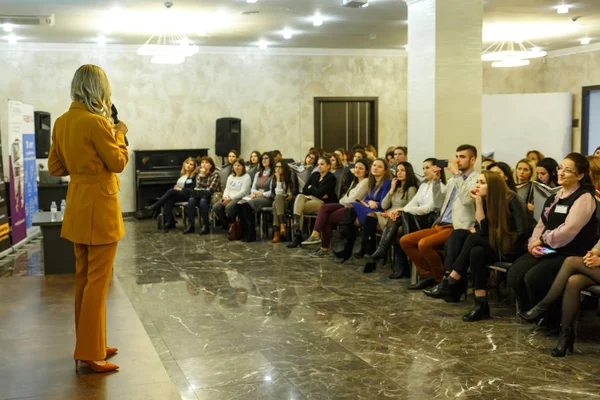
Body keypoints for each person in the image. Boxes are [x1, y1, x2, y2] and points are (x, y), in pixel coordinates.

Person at [47, 64, 127, 373]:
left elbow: (56, 168)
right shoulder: (98, 123)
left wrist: (81, 166)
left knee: (84, 278)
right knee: (98, 281)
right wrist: (119, 134)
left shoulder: (62, 121)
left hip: (78, 204)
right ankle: (92, 352)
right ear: (100, 89)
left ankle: (90, 344)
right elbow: (118, 162)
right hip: (101, 207)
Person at [507, 153, 598, 331]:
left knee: (534, 277)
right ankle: (533, 312)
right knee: (514, 273)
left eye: (568, 170)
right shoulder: (554, 197)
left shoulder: (584, 198)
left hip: (569, 252)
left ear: (579, 175)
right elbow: (541, 224)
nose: (561, 173)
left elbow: (569, 231)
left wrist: (542, 240)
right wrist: (534, 242)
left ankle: (551, 318)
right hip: (547, 247)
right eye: (560, 168)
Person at [433, 171, 528, 318]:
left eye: (482, 182)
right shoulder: (485, 199)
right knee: (476, 251)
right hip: (495, 244)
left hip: (514, 247)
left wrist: (501, 239)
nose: (477, 185)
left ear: (494, 186)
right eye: (478, 182)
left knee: (473, 239)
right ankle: (481, 303)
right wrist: (477, 201)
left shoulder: (511, 198)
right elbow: (483, 230)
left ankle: (451, 279)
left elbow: (522, 232)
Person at [400, 145, 478, 290]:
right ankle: (427, 275)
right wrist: (436, 182)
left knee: (424, 244)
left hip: (458, 227)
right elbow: (437, 202)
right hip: (441, 223)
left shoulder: (476, 179)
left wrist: (456, 175)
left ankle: (441, 280)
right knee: (406, 241)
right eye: (456, 157)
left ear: (472, 160)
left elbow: (467, 201)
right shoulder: (452, 181)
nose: (457, 160)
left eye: (462, 157)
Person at [301, 159, 370, 257]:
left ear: (366, 171)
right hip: (345, 204)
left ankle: (319, 241)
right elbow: (345, 198)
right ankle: (318, 240)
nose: (357, 170)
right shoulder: (354, 182)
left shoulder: (365, 182)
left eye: (361, 168)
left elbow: (353, 200)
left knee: (326, 217)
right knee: (324, 208)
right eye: (356, 167)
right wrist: (343, 201)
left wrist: (343, 201)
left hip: (353, 208)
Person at [364, 161, 419, 277]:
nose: (399, 173)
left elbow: (411, 207)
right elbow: (384, 205)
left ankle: (383, 251)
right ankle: (371, 249)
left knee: (394, 226)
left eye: (402, 170)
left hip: (402, 218)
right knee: (371, 216)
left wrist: (395, 212)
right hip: (389, 215)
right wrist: (391, 190)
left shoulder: (411, 189)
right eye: (398, 170)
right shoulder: (396, 187)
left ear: (408, 172)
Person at [343, 158, 392, 266]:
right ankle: (352, 246)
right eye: (374, 165)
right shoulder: (372, 182)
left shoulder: (386, 183)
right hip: (370, 208)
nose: (375, 168)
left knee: (352, 209)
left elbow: (385, 203)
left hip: (379, 211)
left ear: (385, 170)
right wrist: (369, 201)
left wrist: (374, 203)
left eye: (379, 166)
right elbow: (366, 199)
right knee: (351, 211)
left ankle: (355, 246)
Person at [287, 156, 339, 248]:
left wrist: (312, 188)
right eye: (318, 164)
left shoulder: (331, 178)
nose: (319, 166)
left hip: (323, 203)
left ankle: (297, 233)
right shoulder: (315, 175)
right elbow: (305, 189)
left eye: (322, 164)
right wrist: (315, 191)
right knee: (299, 197)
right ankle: (298, 233)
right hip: (311, 199)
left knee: (298, 207)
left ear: (328, 166)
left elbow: (319, 193)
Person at [144, 157, 197, 226]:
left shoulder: (193, 177)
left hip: (188, 196)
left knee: (171, 191)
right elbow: (179, 185)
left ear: (194, 167)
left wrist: (180, 189)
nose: (188, 165)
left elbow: (192, 190)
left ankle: (155, 206)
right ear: (184, 164)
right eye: (187, 163)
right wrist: (177, 187)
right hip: (180, 194)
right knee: (168, 199)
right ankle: (170, 221)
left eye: (191, 164)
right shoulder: (183, 175)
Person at [237, 152, 274, 242]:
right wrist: (255, 193)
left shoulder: (273, 174)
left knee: (247, 206)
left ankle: (251, 234)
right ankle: (244, 232)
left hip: (267, 198)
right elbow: (253, 188)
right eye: (262, 159)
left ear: (271, 160)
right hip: (256, 196)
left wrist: (262, 194)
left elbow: (272, 191)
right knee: (239, 203)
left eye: (266, 158)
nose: (264, 161)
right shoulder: (258, 174)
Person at [184, 156, 221, 235]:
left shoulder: (215, 174)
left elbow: (210, 190)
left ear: (211, 165)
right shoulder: (198, 174)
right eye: (202, 162)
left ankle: (206, 226)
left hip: (212, 196)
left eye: (206, 163)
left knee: (203, 201)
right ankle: (191, 225)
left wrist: (204, 176)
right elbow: (198, 187)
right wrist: (202, 175)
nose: (204, 164)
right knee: (191, 200)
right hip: (201, 195)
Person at [213, 159, 252, 228]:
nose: (236, 167)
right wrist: (225, 197)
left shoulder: (246, 177)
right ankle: (227, 224)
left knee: (229, 207)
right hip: (228, 197)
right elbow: (227, 189)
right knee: (216, 207)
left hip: (238, 198)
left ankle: (234, 223)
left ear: (243, 167)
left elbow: (244, 192)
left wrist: (231, 199)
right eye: (235, 165)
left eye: (239, 165)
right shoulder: (230, 177)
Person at [271, 160, 296, 243]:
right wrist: (278, 179)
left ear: (284, 168)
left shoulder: (290, 176)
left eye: (280, 167)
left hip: (288, 202)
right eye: (276, 167)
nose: (277, 169)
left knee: (276, 203)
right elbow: (276, 193)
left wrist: (289, 195)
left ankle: (277, 232)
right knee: (276, 201)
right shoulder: (274, 178)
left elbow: (291, 193)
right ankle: (281, 226)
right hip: (279, 202)